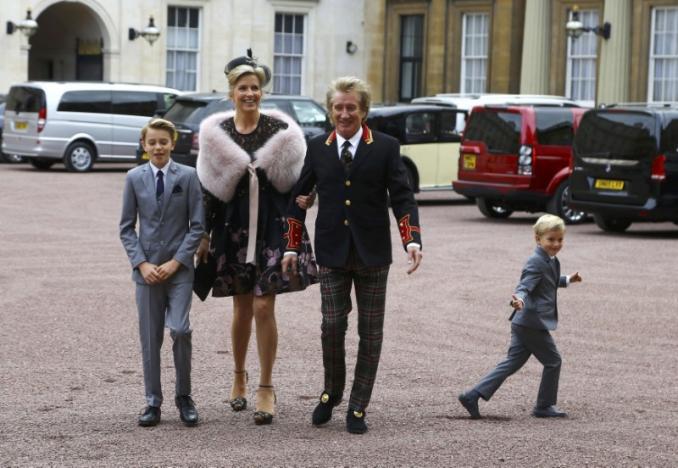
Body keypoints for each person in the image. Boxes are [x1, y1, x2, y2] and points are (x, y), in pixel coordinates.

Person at [281, 76, 423, 434]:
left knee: (370, 332)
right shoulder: (317, 148)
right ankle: (332, 391)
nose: (344, 114)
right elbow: (297, 199)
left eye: (351, 107)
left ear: (363, 110)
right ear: (330, 110)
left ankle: (358, 405)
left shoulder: (387, 147)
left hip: (373, 253)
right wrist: (291, 245)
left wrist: (412, 240)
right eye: (338, 107)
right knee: (332, 325)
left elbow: (403, 195)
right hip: (331, 251)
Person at [195, 50, 317, 426]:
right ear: (231, 92)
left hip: (273, 227)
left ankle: (266, 386)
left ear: (262, 91)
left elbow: (301, 182)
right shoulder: (215, 136)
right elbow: (207, 190)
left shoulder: (283, 133)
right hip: (232, 227)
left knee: (265, 306)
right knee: (241, 307)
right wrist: (201, 234)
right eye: (243, 88)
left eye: (256, 87)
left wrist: (308, 200)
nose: (250, 93)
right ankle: (238, 377)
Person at [119, 118, 205, 427]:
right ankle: (153, 402)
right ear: (144, 145)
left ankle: (184, 396)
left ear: (172, 144)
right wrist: (141, 264)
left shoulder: (189, 176)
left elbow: (197, 226)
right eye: (152, 142)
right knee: (150, 337)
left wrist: (177, 261)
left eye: (163, 142)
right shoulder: (133, 178)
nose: (158, 147)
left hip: (179, 270)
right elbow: (127, 228)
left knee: (180, 329)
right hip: (147, 272)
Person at [458, 214, 582, 419]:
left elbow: (548, 280)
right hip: (531, 322)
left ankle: (472, 395)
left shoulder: (550, 260)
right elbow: (524, 286)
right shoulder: (535, 261)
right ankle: (544, 406)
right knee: (553, 361)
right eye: (551, 239)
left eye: (560, 239)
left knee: (512, 362)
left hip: (524, 322)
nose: (556, 244)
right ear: (538, 239)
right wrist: (519, 299)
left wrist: (568, 279)